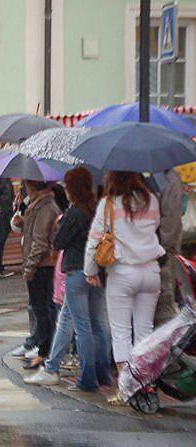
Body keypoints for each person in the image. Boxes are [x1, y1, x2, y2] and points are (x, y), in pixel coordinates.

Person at [26, 167, 111, 390]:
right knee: (96, 324)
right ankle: (102, 373)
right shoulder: (96, 209)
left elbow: (59, 242)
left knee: (81, 326)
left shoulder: (74, 213)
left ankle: (87, 378)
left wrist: (58, 228)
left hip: (76, 270)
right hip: (97, 272)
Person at [84, 171, 164, 400]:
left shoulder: (108, 204)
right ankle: (146, 384)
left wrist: (90, 271)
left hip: (122, 273)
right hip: (150, 271)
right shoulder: (152, 199)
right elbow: (156, 226)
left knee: (121, 333)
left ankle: (127, 388)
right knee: (145, 332)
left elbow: (94, 240)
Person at [15, 180, 60, 370]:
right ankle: (43, 348)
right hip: (40, 264)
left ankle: (44, 351)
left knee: (43, 310)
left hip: (42, 266)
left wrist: (29, 268)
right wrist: (22, 222)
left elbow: (40, 240)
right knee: (42, 309)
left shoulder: (46, 206)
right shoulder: (38, 205)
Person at [152, 169, 184, 325]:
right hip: (159, 250)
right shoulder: (167, 178)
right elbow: (172, 219)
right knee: (163, 308)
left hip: (155, 250)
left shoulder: (163, 178)